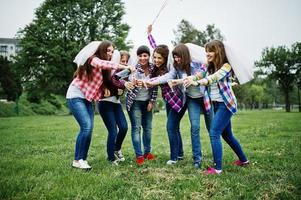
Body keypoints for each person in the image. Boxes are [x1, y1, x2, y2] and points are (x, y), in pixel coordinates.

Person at [186, 39, 249, 174]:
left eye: (210, 51)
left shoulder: (226, 66)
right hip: (215, 104)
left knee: (214, 132)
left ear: (218, 52)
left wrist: (197, 83)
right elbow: (199, 74)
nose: (207, 54)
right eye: (206, 51)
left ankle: (217, 168)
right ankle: (244, 161)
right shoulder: (207, 65)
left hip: (226, 104)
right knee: (227, 135)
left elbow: (213, 78)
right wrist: (188, 79)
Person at [66, 41, 131, 170]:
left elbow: (110, 81)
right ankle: (78, 159)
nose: (110, 54)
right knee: (86, 127)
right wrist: (122, 66)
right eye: (108, 51)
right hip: (75, 96)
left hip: (87, 99)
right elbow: (102, 63)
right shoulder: (93, 59)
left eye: (112, 52)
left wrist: (119, 86)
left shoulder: (104, 71)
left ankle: (82, 159)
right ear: (101, 50)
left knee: (88, 129)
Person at [146, 25, 186, 165]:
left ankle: (174, 158)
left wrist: (150, 82)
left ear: (166, 58)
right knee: (174, 127)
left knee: (170, 127)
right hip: (169, 100)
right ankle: (179, 154)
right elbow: (155, 47)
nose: (156, 60)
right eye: (154, 57)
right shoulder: (159, 66)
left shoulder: (170, 65)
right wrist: (149, 35)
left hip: (178, 99)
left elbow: (162, 51)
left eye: (159, 58)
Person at [97, 50, 133, 165]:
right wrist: (120, 86)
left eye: (127, 61)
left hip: (116, 103)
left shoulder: (125, 73)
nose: (125, 63)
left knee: (124, 127)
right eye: (123, 61)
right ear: (117, 61)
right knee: (113, 131)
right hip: (105, 103)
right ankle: (111, 158)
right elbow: (112, 81)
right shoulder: (108, 71)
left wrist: (120, 90)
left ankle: (116, 149)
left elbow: (119, 91)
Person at [126, 45, 158, 165]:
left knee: (148, 128)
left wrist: (152, 101)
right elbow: (130, 77)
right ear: (137, 56)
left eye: (145, 55)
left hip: (147, 102)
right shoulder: (134, 68)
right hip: (134, 102)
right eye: (140, 55)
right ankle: (139, 155)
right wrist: (132, 82)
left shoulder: (153, 68)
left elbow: (155, 86)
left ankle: (147, 153)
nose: (143, 58)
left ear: (149, 56)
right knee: (136, 128)